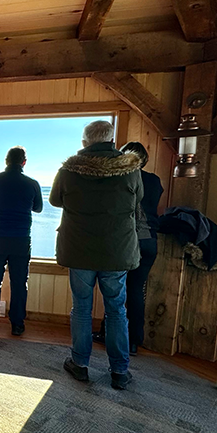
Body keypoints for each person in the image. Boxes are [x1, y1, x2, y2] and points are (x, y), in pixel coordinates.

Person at [49, 120, 142, 390]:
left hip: (79, 250)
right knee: (116, 310)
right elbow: (137, 201)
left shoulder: (69, 170)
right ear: (112, 140)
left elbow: (55, 200)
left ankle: (80, 364)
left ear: (85, 142)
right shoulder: (130, 169)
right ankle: (120, 371)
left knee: (81, 308)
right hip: (117, 250)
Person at [93, 141, 164, 355]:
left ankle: (108, 335)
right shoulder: (155, 181)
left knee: (114, 289)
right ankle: (134, 340)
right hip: (150, 241)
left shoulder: (119, 178)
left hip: (126, 240)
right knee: (135, 290)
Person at [0, 146, 44, 336]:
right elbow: (38, 208)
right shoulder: (32, 184)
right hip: (21, 239)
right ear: (24, 162)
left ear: (6, 161)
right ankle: (17, 324)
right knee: (19, 282)